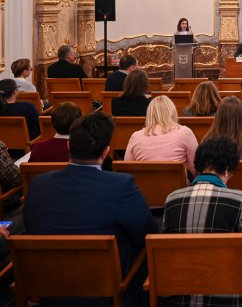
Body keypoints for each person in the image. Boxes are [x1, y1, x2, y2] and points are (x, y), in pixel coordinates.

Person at [23, 112, 157, 306]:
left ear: (69, 146)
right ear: (106, 152)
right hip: (104, 292)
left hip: (49, 288)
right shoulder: (121, 185)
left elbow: (30, 226)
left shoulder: (38, 184)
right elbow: (146, 231)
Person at [162, 136, 242, 307]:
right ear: (227, 170)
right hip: (228, 297)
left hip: (179, 296)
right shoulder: (238, 199)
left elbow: (165, 253)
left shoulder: (172, 199)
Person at [124, 95, 198, 178]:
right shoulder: (185, 132)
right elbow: (196, 167)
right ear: (173, 112)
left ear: (149, 114)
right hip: (177, 184)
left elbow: (127, 169)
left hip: (144, 184)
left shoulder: (136, 137)